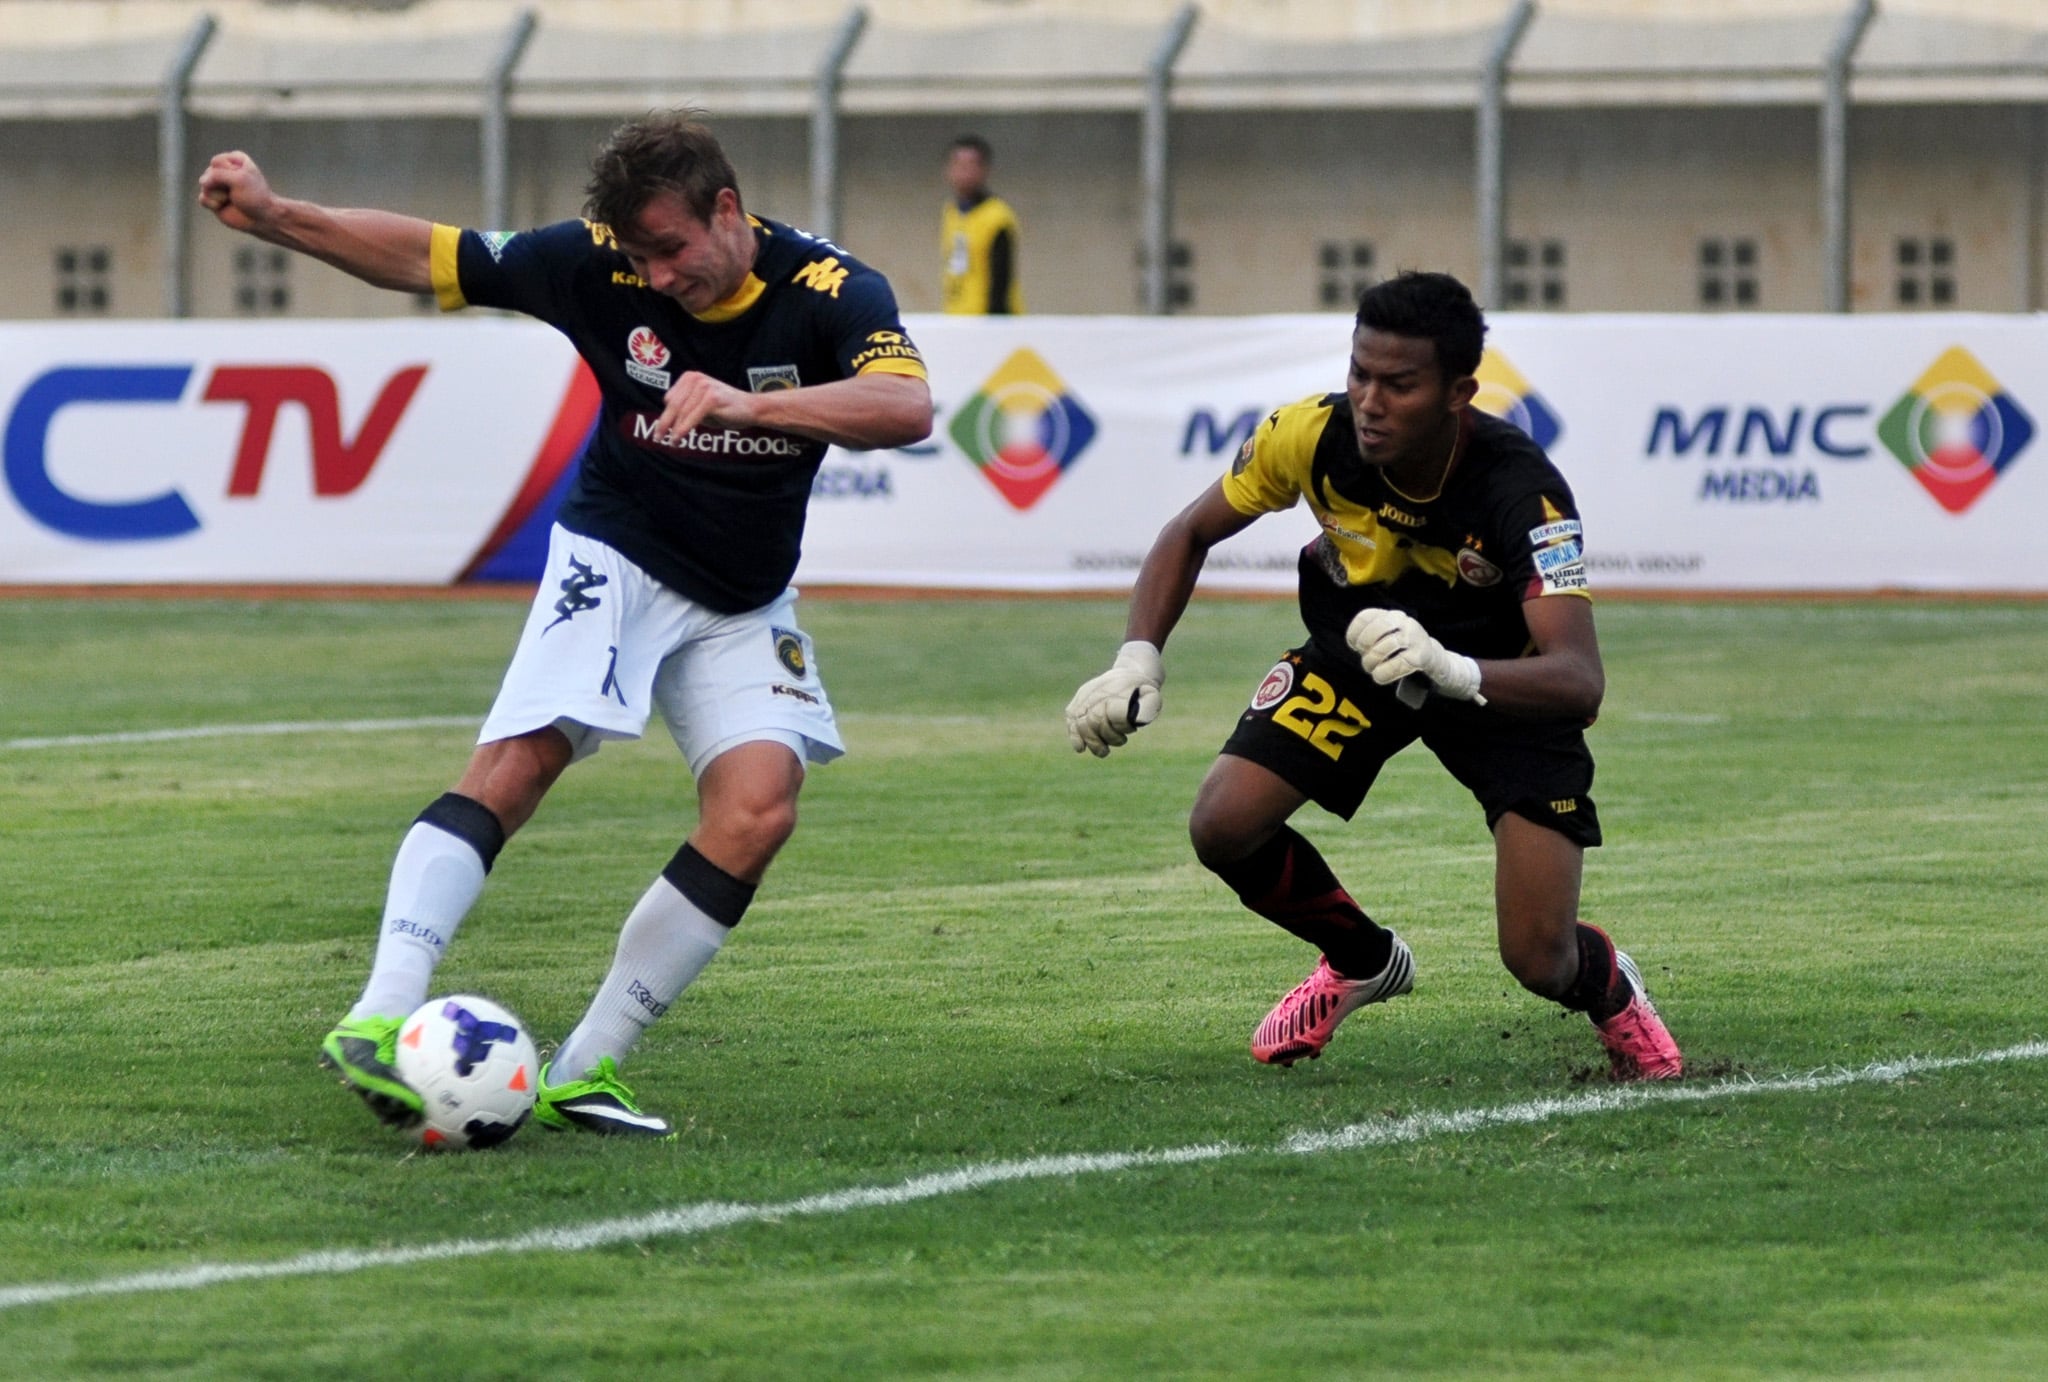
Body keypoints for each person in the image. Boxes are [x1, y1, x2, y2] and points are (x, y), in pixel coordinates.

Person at [199, 109, 934, 1137]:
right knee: (521, 761)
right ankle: (376, 1013)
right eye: (639, 255)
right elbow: (426, 254)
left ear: (727, 210)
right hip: (618, 552)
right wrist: (277, 217)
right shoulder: (595, 264)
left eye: (671, 249)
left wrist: (749, 404)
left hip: (743, 594)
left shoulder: (829, 291)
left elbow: (905, 408)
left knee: (759, 808)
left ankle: (585, 1067)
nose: (657, 274)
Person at [1063, 271, 1682, 1081]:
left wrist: (1449, 666)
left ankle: (1613, 993)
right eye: (1360, 373)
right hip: (1361, 661)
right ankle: (1361, 960)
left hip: (1500, 686)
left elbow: (1579, 679)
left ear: (1459, 391)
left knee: (1538, 957)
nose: (1370, 400)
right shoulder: (1309, 435)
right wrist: (1137, 655)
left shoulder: (1520, 490)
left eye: (1399, 384)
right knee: (1222, 825)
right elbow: (1189, 532)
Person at [940, 134, 1022, 315]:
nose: (964, 173)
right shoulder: (951, 211)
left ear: (984, 170)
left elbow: (1001, 279)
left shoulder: (997, 217)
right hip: (957, 314)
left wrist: (994, 323)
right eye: (958, 166)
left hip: (987, 318)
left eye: (970, 166)